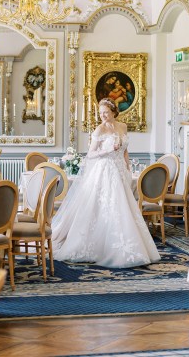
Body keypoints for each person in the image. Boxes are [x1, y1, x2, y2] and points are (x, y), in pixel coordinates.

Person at [51, 98, 160, 268]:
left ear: (114, 112)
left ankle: (129, 246)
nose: (103, 116)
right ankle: (102, 247)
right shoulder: (99, 129)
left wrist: (127, 166)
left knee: (123, 206)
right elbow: (90, 155)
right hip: (104, 170)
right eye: (101, 113)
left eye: (106, 113)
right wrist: (108, 150)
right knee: (105, 206)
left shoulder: (122, 126)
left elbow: (125, 150)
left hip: (119, 170)